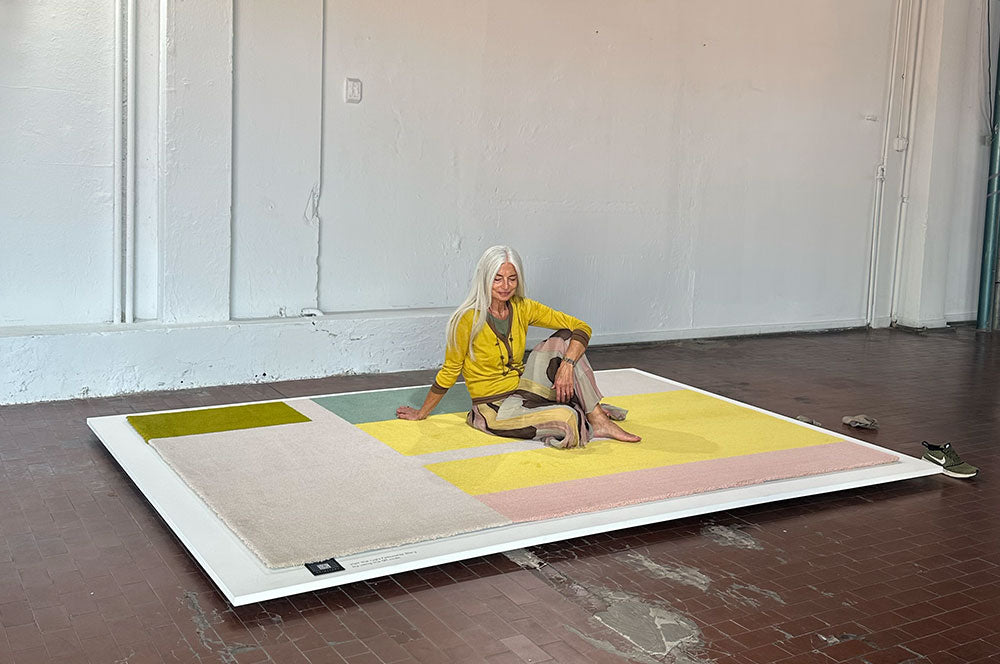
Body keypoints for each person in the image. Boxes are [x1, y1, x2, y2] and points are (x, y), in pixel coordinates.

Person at [396, 245, 640, 449]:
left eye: (512, 279)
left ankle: (598, 419)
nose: (505, 286)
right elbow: (450, 371)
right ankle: (585, 410)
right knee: (569, 419)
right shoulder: (466, 319)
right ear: (485, 279)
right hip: (493, 407)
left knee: (566, 338)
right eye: (497, 279)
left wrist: (567, 365)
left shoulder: (523, 307)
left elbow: (581, 327)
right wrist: (422, 412)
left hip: (524, 390)